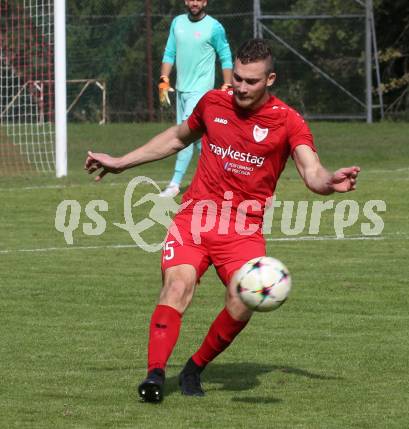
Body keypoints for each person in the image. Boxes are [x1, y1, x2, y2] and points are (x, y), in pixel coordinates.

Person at [85, 39, 360, 403]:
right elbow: (176, 138)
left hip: (243, 230)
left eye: (252, 81)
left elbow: (311, 170)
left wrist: (328, 182)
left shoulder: (288, 121)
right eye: (238, 78)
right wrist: (121, 161)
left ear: (271, 79)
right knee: (176, 287)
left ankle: (194, 368)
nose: (241, 88)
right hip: (195, 220)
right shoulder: (214, 102)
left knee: (244, 299)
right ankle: (154, 376)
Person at [157, 0, 233, 198]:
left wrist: (228, 84)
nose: (194, 3)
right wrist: (163, 79)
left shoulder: (214, 27)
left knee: (184, 136)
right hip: (181, 91)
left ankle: (174, 184)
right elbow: (169, 53)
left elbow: (225, 56)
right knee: (202, 142)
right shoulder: (178, 23)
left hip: (201, 92)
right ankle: (222, 180)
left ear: (205, 2)